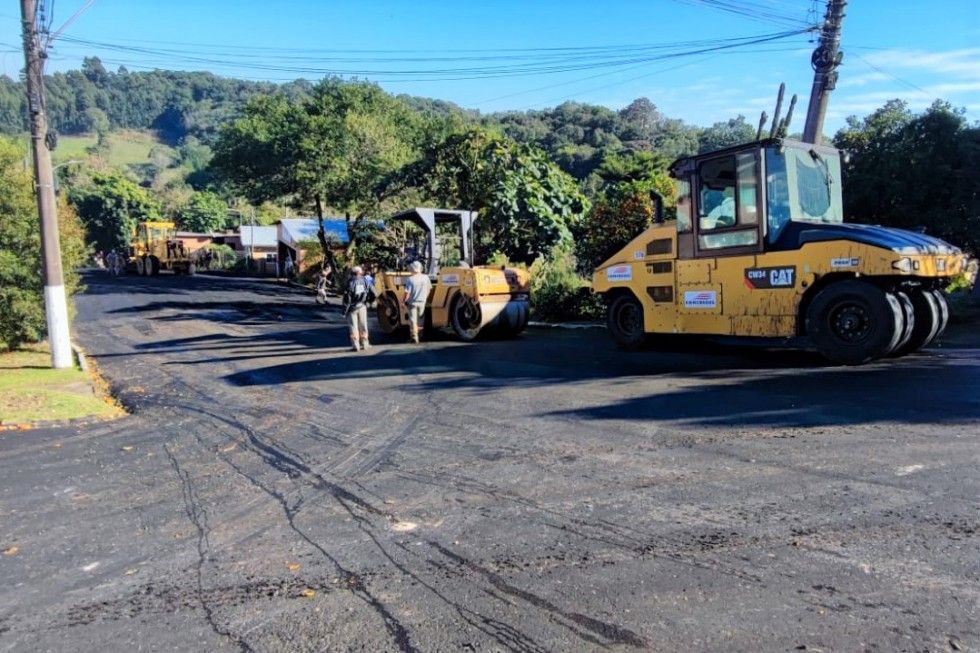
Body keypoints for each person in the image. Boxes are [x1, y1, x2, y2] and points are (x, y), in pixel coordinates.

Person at [343, 265, 374, 351]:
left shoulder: (350, 282)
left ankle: (355, 345)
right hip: (362, 306)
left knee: (353, 326)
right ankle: (365, 343)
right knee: (363, 325)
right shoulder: (365, 281)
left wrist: (344, 311)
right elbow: (373, 292)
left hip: (352, 308)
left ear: (353, 273)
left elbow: (347, 299)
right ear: (360, 273)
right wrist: (369, 301)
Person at [402, 260, 432, 344]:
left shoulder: (410, 279)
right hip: (422, 302)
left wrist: (403, 302)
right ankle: (421, 335)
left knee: (413, 320)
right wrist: (424, 298)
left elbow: (407, 293)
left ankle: (414, 337)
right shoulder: (426, 278)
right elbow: (429, 289)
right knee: (421, 320)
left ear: (412, 269)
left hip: (412, 303)